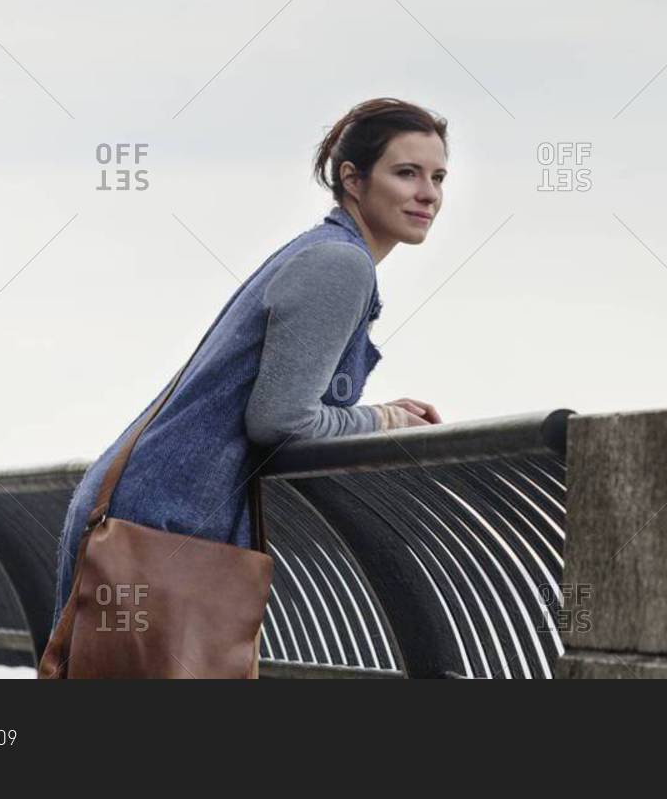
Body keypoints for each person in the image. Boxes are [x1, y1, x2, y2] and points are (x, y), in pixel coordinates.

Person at [51, 97, 449, 625]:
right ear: (354, 180)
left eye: (438, 177)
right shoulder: (339, 263)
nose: (428, 193)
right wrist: (383, 420)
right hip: (160, 526)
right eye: (407, 173)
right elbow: (281, 421)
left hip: (142, 513)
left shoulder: (320, 251)